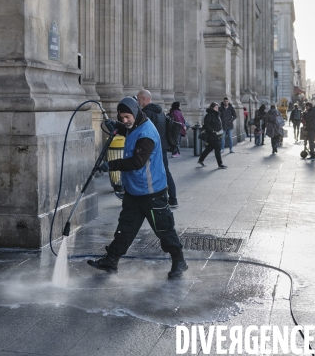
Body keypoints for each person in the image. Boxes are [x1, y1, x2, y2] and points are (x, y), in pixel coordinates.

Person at [88, 97, 188, 279]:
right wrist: (117, 126)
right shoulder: (134, 125)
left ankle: (179, 260)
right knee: (125, 227)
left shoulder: (147, 134)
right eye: (121, 117)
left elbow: (137, 161)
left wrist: (110, 165)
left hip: (152, 192)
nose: (125, 120)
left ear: (135, 113)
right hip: (135, 190)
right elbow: (129, 129)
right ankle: (112, 260)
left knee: (163, 228)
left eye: (127, 117)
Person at [137, 90, 178, 208]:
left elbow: (145, 131)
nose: (138, 102)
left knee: (148, 171)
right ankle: (173, 198)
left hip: (153, 147)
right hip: (162, 146)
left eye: (139, 99)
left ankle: (152, 197)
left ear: (144, 99)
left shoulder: (146, 113)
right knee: (165, 171)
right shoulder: (160, 112)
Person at [197, 102, 228, 169]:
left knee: (209, 148)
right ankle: (220, 164)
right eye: (215, 107)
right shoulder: (208, 115)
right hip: (212, 135)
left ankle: (200, 160)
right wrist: (213, 131)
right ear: (212, 108)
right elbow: (206, 125)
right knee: (217, 148)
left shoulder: (217, 115)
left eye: (217, 107)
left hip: (217, 135)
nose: (217, 109)